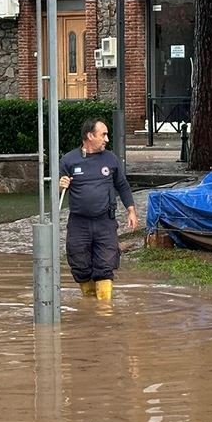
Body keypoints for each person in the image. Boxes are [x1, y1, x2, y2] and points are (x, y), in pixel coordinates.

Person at [58, 118, 138, 301]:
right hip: (79, 223)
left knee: (104, 266)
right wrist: (60, 185)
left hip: (105, 222)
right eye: (103, 135)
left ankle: (104, 312)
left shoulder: (111, 159)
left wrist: (131, 210)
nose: (107, 139)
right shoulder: (69, 160)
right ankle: (88, 308)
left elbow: (123, 186)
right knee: (80, 266)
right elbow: (57, 191)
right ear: (90, 135)